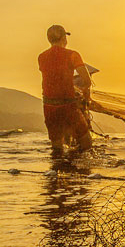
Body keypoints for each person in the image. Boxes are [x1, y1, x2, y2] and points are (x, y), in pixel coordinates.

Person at [38, 24, 92, 156]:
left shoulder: (41, 57)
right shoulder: (72, 55)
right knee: (87, 144)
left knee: (57, 146)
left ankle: (56, 173)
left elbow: (54, 78)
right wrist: (85, 93)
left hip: (49, 106)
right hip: (68, 106)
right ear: (64, 38)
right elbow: (87, 80)